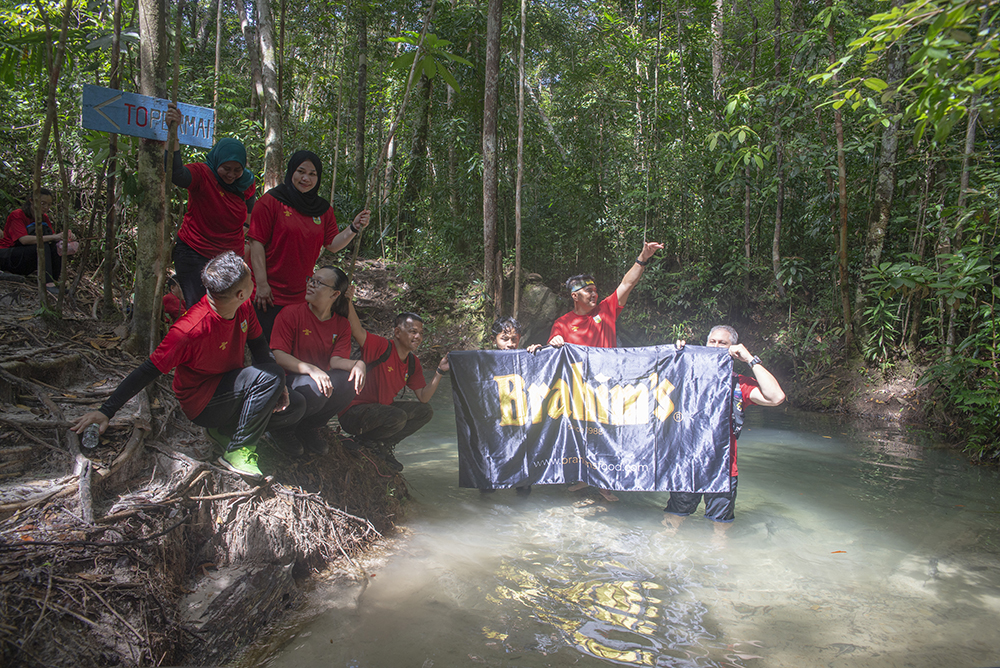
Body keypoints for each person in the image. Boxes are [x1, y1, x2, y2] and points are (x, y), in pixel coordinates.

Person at [72, 251, 305, 479]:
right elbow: (147, 371)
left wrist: (279, 387)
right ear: (241, 293)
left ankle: (225, 432)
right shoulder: (189, 330)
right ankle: (237, 451)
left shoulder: (243, 308)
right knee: (272, 375)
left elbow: (259, 348)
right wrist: (106, 411)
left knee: (295, 405)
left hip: (231, 388)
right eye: (251, 279)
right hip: (204, 404)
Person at [540, 241, 663, 501]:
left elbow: (627, 284)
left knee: (609, 432)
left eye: (595, 290)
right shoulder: (562, 323)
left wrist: (642, 257)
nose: (594, 295)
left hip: (609, 386)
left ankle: (606, 481)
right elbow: (552, 356)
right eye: (588, 291)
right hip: (578, 391)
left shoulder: (606, 310)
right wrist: (554, 344)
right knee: (583, 434)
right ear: (575, 296)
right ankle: (586, 477)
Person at [663, 325, 786, 536]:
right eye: (713, 342)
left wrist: (750, 359)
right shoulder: (687, 376)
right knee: (673, 519)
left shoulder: (738, 384)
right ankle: (661, 555)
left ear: (733, 348)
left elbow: (776, 397)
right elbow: (652, 380)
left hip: (723, 468)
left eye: (723, 343)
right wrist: (675, 355)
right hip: (688, 462)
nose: (716, 346)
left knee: (720, 527)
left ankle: (719, 563)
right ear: (705, 343)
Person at [248, 150, 371, 339]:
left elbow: (332, 244)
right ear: (291, 172)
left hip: (302, 295)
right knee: (268, 350)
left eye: (312, 174)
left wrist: (353, 228)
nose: (306, 178)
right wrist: (262, 284)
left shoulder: (322, 209)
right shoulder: (271, 202)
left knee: (293, 348)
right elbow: (256, 242)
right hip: (269, 294)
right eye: (301, 171)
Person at [339, 297, 449, 472]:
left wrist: (440, 371)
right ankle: (364, 442)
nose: (418, 337)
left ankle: (382, 444)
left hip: (383, 413)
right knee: (397, 416)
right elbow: (356, 329)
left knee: (424, 411)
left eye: (420, 333)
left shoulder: (412, 362)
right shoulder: (382, 347)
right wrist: (349, 300)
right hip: (353, 413)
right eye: (413, 331)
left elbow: (423, 397)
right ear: (397, 332)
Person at [165, 104, 257, 309]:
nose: (231, 175)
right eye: (226, 168)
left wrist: (244, 230)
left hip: (228, 258)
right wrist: (173, 134)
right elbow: (177, 174)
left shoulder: (246, 182)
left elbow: (250, 208)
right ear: (217, 163)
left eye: (237, 169)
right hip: (194, 252)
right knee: (199, 308)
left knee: (227, 308)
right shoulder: (203, 174)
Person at [270, 266, 365, 456]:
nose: (311, 285)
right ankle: (283, 429)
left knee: (349, 382)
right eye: (311, 280)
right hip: (290, 384)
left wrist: (359, 365)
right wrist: (311, 369)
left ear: (335, 294)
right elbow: (279, 356)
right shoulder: (291, 313)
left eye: (318, 283)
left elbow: (337, 361)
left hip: (318, 384)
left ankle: (310, 427)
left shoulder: (341, 324)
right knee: (316, 387)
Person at [0, 189, 74, 291]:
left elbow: (52, 239)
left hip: (25, 257)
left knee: (55, 246)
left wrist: (66, 237)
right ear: (31, 200)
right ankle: (48, 284)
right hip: (6, 255)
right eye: (42, 203)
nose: (45, 207)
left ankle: (53, 280)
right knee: (42, 245)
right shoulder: (17, 215)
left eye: (49, 205)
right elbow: (24, 240)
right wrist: (54, 237)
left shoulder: (44, 218)